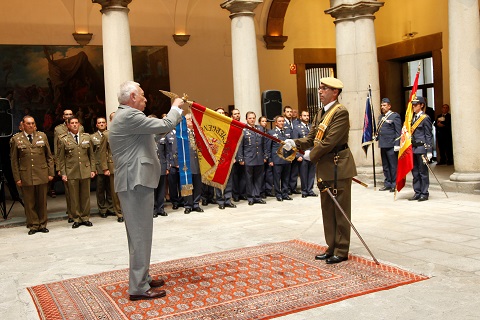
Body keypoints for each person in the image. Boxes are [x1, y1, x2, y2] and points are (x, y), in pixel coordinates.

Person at [109, 80, 184, 301]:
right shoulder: (130, 116)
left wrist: (168, 122)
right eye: (142, 95)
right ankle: (139, 288)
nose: (145, 98)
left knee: (140, 235)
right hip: (135, 181)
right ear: (132, 97)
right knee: (140, 235)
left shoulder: (128, 118)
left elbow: (151, 137)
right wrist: (176, 107)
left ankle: (143, 276)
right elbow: (163, 126)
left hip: (135, 181)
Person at [284, 77, 357, 264]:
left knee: (340, 210)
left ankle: (341, 250)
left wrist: (311, 155)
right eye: (320, 88)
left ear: (335, 92)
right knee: (327, 209)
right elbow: (311, 137)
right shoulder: (320, 113)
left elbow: (330, 141)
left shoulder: (340, 112)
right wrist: (295, 143)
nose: (320, 91)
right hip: (325, 167)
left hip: (338, 166)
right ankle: (331, 245)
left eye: (325, 89)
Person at [10, 116, 54, 235]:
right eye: (28, 123)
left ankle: (42, 224)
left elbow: (49, 156)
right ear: (23, 125)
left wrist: (51, 172)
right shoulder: (16, 139)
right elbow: (14, 161)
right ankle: (34, 225)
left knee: (42, 201)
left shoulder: (42, 136)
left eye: (32, 123)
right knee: (29, 202)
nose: (30, 125)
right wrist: (17, 178)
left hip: (41, 173)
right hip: (26, 175)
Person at [57, 117, 96, 228]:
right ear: (68, 125)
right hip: (71, 171)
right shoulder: (63, 139)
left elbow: (91, 155)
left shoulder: (86, 137)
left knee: (85, 196)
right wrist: (63, 173)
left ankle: (85, 217)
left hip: (85, 170)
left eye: (76, 123)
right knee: (74, 197)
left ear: (79, 124)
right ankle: (77, 218)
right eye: (72, 123)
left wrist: (92, 169)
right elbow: (61, 158)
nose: (74, 125)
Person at [53, 109, 84, 222]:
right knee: (69, 191)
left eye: (70, 114)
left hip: (78, 164)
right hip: (66, 164)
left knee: (81, 191)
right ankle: (71, 213)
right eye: (66, 115)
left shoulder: (80, 127)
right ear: (63, 117)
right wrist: (59, 167)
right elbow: (57, 149)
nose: (68, 116)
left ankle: (81, 212)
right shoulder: (58, 129)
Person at [237, 111, 267, 205]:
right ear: (246, 119)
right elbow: (240, 145)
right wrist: (241, 158)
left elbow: (264, 143)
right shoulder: (243, 129)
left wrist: (265, 155)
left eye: (253, 118)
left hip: (259, 157)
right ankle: (250, 197)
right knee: (249, 179)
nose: (252, 120)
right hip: (248, 158)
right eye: (250, 118)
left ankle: (257, 196)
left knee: (258, 178)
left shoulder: (260, 128)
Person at [409, 96, 432, 201]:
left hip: (422, 148)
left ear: (421, 105)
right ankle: (417, 192)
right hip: (413, 149)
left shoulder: (425, 118)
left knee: (423, 172)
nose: (413, 107)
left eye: (415, 105)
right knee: (415, 172)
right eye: (413, 105)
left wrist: (429, 151)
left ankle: (424, 193)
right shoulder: (413, 118)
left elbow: (428, 135)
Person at [376, 98, 401, 192]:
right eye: (382, 105)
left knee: (393, 165)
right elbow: (380, 130)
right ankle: (388, 183)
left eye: (384, 105)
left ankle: (395, 184)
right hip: (383, 144)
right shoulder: (381, 117)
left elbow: (398, 131)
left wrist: (397, 144)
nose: (382, 107)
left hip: (391, 144)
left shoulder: (395, 116)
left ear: (389, 106)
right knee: (385, 166)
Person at [266, 115, 293, 202]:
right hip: (277, 159)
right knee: (277, 178)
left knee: (286, 177)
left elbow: (291, 145)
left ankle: (285, 193)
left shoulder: (287, 131)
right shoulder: (271, 132)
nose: (282, 123)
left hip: (286, 158)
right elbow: (268, 147)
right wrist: (270, 159)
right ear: (275, 123)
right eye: (280, 121)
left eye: (282, 121)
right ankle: (278, 194)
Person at [91, 117, 114, 218]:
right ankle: (102, 209)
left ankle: (111, 207)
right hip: (98, 167)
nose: (101, 124)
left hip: (109, 166)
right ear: (96, 125)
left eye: (103, 122)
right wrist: (93, 168)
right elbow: (91, 154)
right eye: (99, 123)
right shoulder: (92, 137)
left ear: (106, 124)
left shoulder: (110, 135)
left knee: (110, 188)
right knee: (100, 189)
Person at [292, 111, 317, 198]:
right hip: (302, 154)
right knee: (303, 173)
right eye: (304, 116)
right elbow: (296, 142)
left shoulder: (312, 127)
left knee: (311, 173)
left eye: (307, 115)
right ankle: (304, 191)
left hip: (312, 153)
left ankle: (310, 190)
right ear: (300, 117)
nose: (306, 117)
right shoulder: (296, 128)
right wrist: (298, 155)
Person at [183, 113, 204, 214]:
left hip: (198, 163)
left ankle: (196, 204)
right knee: (188, 185)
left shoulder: (199, 133)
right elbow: (176, 149)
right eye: (188, 119)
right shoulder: (182, 134)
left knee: (197, 184)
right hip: (187, 163)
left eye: (192, 119)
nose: (191, 120)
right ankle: (188, 205)